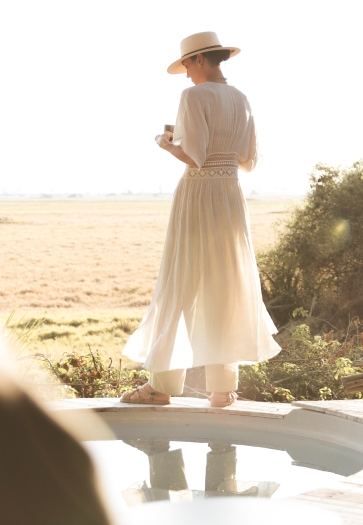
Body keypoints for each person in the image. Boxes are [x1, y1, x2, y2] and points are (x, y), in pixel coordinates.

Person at [120, 32, 280, 407]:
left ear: (198, 60)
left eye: (187, 66)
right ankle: (223, 390)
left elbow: (194, 157)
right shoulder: (241, 98)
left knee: (181, 282)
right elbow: (248, 160)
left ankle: (160, 387)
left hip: (197, 194)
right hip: (229, 195)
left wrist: (165, 143)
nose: (186, 76)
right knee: (225, 284)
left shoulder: (193, 96)